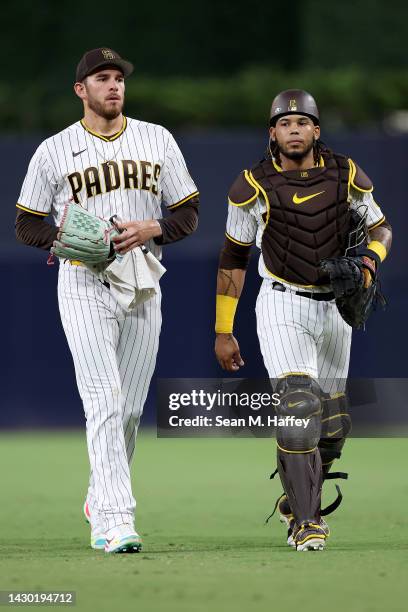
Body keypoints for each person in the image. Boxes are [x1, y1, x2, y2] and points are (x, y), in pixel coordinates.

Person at [15, 47, 199, 553]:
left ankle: (100, 494)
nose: (113, 85)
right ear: (81, 89)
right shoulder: (54, 150)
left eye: (118, 78)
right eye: (102, 78)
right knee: (105, 399)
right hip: (82, 280)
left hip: (142, 280)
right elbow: (26, 223)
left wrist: (153, 226)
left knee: (131, 409)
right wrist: (65, 236)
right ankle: (115, 520)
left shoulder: (156, 139)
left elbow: (188, 211)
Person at [214, 89, 392, 551]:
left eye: (302, 122)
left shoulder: (345, 174)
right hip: (282, 302)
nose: (294, 129)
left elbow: (382, 228)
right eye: (284, 123)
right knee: (297, 406)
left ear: (316, 130)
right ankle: (306, 524)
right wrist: (223, 328)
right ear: (271, 133)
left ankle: (297, 498)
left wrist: (370, 261)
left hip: (334, 304)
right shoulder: (250, 185)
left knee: (333, 428)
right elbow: (233, 258)